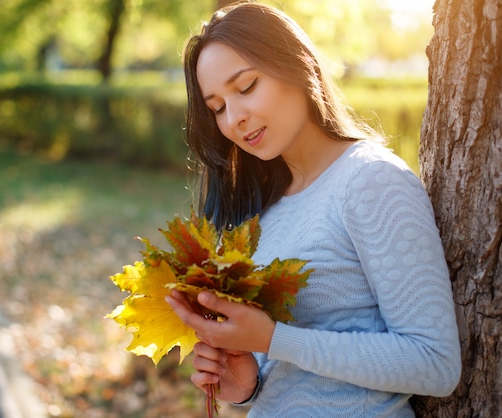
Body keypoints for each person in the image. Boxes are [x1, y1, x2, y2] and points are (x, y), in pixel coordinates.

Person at [165, 2, 462, 416]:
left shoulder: (370, 181)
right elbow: (294, 370)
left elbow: (435, 363)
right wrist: (246, 384)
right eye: (217, 108)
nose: (234, 118)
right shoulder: (265, 210)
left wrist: (273, 339)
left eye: (247, 86)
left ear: (296, 66)